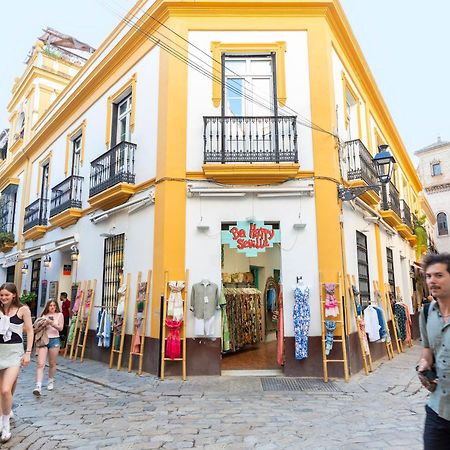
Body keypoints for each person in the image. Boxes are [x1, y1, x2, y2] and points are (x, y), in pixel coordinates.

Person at [418, 253, 450, 449]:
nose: (432, 281)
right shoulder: (427, 312)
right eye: (429, 276)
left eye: (438, 275)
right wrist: (424, 364)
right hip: (437, 408)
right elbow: (427, 348)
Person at [0, 283, 33, 443]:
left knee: (6, 390)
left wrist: (28, 352)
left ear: (14, 295)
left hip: (14, 353)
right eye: (1, 295)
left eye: (7, 295)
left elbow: (30, 330)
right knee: (2, 390)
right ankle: (3, 414)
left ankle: (5, 426)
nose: (4, 298)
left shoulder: (23, 309)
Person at [33, 299, 64, 396]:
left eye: (54, 305)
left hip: (54, 340)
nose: (52, 307)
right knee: (40, 364)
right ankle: (38, 386)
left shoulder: (59, 315)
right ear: (47, 306)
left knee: (52, 363)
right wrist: (43, 324)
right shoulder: (44, 316)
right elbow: (36, 328)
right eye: (50, 305)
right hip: (44, 340)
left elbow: (61, 328)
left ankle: (50, 380)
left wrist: (52, 323)